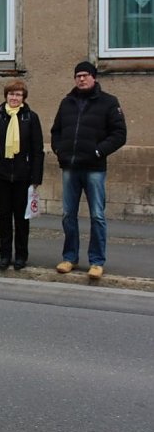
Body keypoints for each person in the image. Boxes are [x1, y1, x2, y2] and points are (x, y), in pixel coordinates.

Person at [51, 61, 127, 280]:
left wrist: (98, 152)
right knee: (68, 215)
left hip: (94, 168)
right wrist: (59, 150)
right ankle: (69, 258)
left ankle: (96, 261)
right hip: (70, 168)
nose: (81, 79)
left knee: (97, 215)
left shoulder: (109, 102)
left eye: (85, 75)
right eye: (78, 76)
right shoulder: (67, 102)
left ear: (94, 77)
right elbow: (56, 131)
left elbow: (119, 134)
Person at [0, 79, 44, 271]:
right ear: (6, 96)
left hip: (23, 177)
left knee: (21, 218)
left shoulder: (31, 118)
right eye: (11, 94)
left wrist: (36, 178)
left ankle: (21, 256)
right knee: (4, 217)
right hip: (2, 175)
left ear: (23, 97)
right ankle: (5, 255)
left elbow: (37, 150)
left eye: (18, 94)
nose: (14, 98)